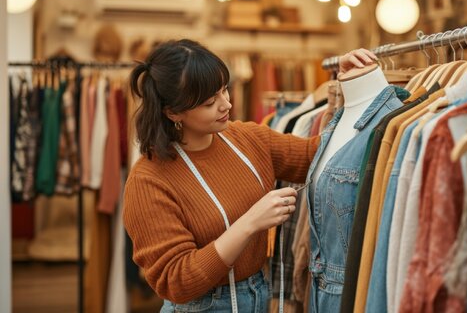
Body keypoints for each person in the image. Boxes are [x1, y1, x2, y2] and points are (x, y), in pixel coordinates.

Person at [123, 39, 377, 312]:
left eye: (224, 91)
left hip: (259, 296)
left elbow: (322, 156)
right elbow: (177, 281)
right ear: (173, 112)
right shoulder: (149, 180)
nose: (225, 105)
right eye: (210, 102)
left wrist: (354, 88)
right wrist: (250, 223)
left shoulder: (246, 138)